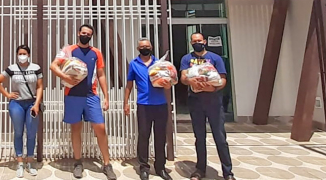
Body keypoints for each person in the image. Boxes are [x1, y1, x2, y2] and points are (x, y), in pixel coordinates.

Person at [50, 24, 117, 180]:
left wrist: (106, 96)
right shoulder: (69, 51)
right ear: (78, 33)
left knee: (100, 127)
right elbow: (53, 66)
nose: (85, 35)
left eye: (88, 34)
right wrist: (65, 77)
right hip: (72, 95)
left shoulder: (96, 52)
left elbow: (101, 75)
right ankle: (78, 162)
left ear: (91, 36)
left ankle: (107, 164)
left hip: (91, 95)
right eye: (83, 33)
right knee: (76, 129)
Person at [180, 33, 236, 180]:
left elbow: (223, 79)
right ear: (191, 42)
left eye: (199, 40)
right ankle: (200, 170)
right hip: (196, 101)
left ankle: (227, 172)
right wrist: (192, 82)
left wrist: (214, 88)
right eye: (194, 41)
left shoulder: (215, 58)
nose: (197, 43)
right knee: (200, 137)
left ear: (204, 41)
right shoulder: (186, 59)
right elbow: (184, 78)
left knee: (220, 137)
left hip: (213, 102)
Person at [124, 38, 172, 180]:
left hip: (160, 104)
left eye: (147, 46)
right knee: (144, 136)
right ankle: (144, 167)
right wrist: (125, 103)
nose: (145, 48)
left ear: (151, 47)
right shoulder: (134, 64)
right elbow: (129, 85)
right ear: (138, 49)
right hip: (143, 105)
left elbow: (168, 84)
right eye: (142, 46)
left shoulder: (159, 64)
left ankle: (160, 167)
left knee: (160, 137)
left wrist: (167, 83)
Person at [0, 45, 43, 178]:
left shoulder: (36, 68)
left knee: (31, 133)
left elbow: (40, 86)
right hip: (17, 104)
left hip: (32, 103)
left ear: (29, 55)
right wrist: (7, 94)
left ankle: (30, 162)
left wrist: (37, 104)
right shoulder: (12, 68)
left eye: (24, 53)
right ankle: (20, 162)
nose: (22, 55)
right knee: (18, 132)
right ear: (17, 55)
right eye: (20, 53)